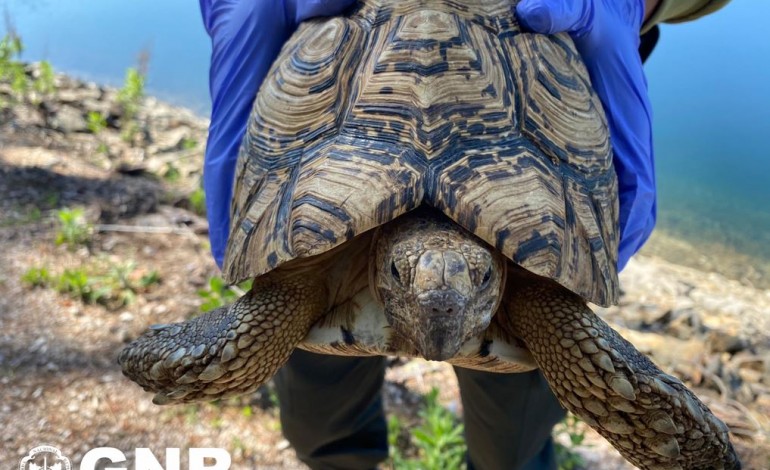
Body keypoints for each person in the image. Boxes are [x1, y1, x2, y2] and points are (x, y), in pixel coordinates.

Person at [198, 0, 731, 468]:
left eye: (478, 276)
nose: (439, 307)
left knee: (512, 442)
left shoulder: (525, 292)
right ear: (388, 265)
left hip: (553, 23)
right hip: (332, 33)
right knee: (319, 424)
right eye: (406, 277)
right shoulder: (312, 275)